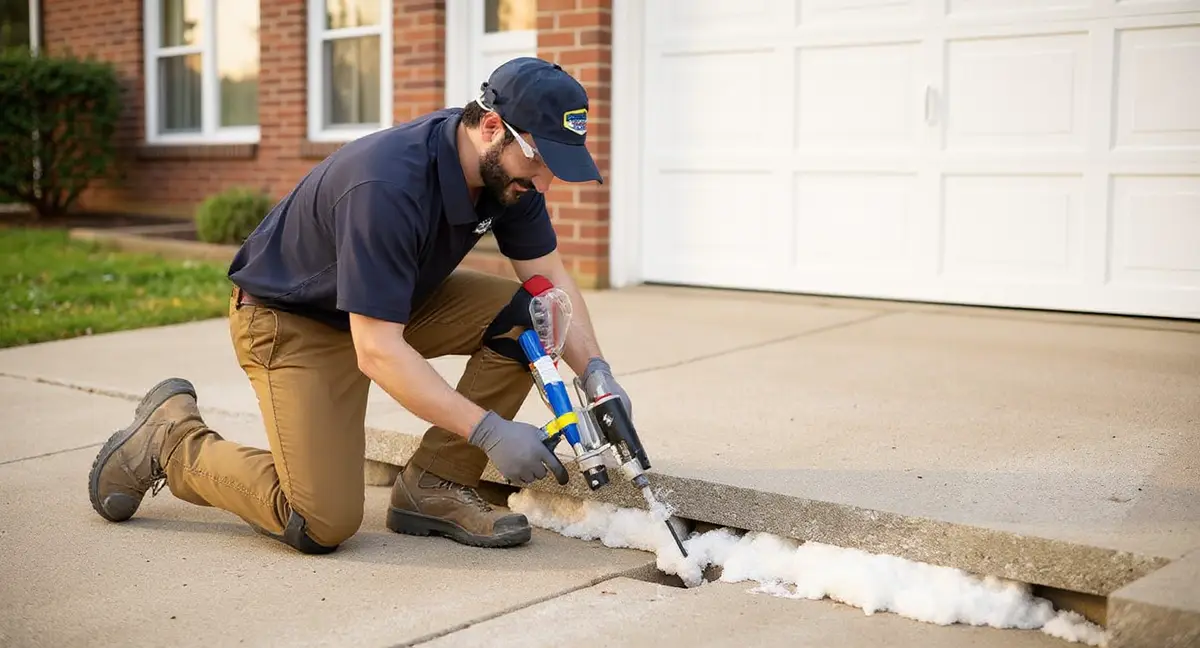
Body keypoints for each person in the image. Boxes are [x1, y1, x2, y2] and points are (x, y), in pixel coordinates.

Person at [86, 57, 632, 554]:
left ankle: (435, 485)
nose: (546, 181)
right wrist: (488, 431)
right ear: (492, 128)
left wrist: (598, 377)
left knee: (529, 317)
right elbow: (376, 351)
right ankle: (172, 441)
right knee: (319, 520)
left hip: (388, 303)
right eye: (541, 161)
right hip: (289, 320)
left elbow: (549, 281)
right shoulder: (387, 184)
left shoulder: (508, 177)